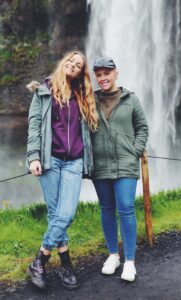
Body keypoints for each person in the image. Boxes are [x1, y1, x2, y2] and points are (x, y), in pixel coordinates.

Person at [26, 50, 98, 290]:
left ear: (81, 73)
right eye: (71, 61)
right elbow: (34, 125)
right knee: (57, 212)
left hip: (74, 161)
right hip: (50, 160)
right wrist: (33, 156)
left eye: (78, 65)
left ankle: (40, 259)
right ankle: (66, 264)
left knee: (65, 214)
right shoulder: (44, 91)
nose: (73, 65)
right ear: (64, 62)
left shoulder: (82, 96)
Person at [91, 56, 148, 282]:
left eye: (107, 73)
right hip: (100, 164)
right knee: (106, 208)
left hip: (126, 162)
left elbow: (142, 127)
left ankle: (130, 261)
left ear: (116, 73)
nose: (103, 78)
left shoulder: (131, 99)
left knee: (125, 207)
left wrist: (135, 150)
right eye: (99, 74)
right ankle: (113, 255)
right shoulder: (90, 100)